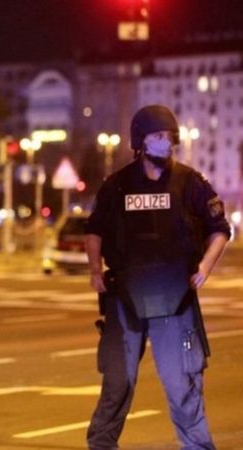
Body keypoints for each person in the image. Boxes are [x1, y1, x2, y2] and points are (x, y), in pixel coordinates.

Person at [85, 104, 230, 450]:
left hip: (175, 297)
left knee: (183, 383)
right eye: (158, 136)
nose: (166, 143)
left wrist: (205, 268)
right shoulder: (117, 186)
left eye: (169, 137)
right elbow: (95, 230)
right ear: (140, 141)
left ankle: (197, 447)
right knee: (118, 382)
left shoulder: (190, 183)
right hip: (125, 296)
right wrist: (94, 271)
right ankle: (101, 445)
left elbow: (219, 230)